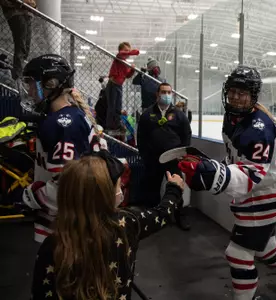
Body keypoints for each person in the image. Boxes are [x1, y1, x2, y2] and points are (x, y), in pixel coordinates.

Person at [177, 65, 276, 300]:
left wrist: (213, 175)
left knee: (237, 253)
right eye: (233, 91)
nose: (236, 97)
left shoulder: (259, 127)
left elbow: (251, 175)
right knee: (266, 248)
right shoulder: (233, 116)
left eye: (243, 93)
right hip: (256, 192)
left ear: (253, 95)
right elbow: (237, 158)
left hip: (266, 195)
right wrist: (215, 168)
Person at [31, 150, 184, 300]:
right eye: (118, 186)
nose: (121, 189)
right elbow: (163, 213)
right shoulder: (127, 223)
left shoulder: (53, 246)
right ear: (104, 194)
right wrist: (174, 189)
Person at [18, 54, 107, 243]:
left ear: (51, 84)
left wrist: (29, 196)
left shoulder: (62, 123)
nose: (30, 90)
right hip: (79, 218)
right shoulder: (72, 115)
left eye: (33, 84)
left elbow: (66, 186)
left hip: (66, 227)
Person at [137, 82, 192, 230]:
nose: (166, 95)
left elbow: (186, 135)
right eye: (163, 92)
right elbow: (141, 137)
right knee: (151, 189)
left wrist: (182, 154)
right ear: (157, 94)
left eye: (169, 92)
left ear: (172, 94)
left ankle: (180, 215)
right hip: (153, 160)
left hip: (173, 159)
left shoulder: (179, 115)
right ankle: (152, 218)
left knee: (177, 188)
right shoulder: (147, 114)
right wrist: (145, 156)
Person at [105, 42, 139, 135]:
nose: (127, 52)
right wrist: (133, 52)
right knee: (112, 106)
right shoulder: (119, 57)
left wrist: (132, 69)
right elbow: (121, 54)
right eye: (126, 50)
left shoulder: (124, 63)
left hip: (119, 86)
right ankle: (110, 126)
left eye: (128, 50)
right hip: (113, 84)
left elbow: (127, 75)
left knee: (118, 106)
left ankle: (116, 125)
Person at [0, 0, 35, 80]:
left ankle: (19, 72)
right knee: (21, 45)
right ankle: (18, 75)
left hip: (27, 12)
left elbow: (32, 3)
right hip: (15, 13)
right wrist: (22, 3)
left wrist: (32, 5)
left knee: (26, 47)